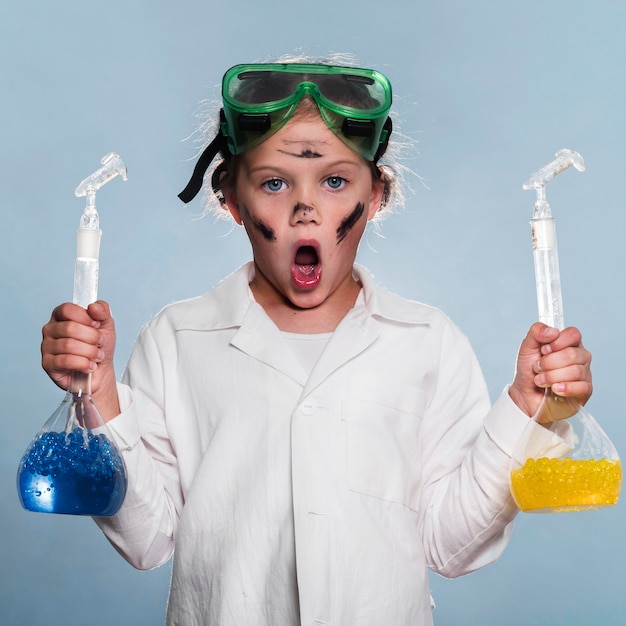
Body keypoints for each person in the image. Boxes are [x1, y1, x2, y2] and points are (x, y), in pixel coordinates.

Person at [41, 57, 592, 626]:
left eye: (334, 181)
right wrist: (99, 398)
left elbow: (454, 545)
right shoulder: (176, 340)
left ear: (375, 194)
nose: (305, 208)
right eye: (274, 183)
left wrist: (530, 412)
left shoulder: (428, 343)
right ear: (231, 196)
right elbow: (147, 541)